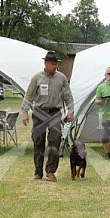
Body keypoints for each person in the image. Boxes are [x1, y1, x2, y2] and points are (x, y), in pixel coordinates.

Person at [21, 51, 74, 182]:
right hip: (39, 111)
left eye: (56, 64)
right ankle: (38, 171)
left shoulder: (61, 78)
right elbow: (29, 96)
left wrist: (70, 111)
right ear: (45, 63)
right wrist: (24, 113)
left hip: (55, 112)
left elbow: (68, 96)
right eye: (52, 63)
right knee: (38, 141)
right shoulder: (36, 78)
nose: (54, 66)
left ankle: (50, 171)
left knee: (55, 140)